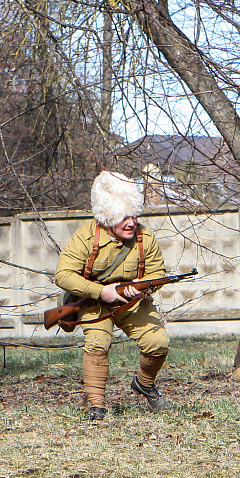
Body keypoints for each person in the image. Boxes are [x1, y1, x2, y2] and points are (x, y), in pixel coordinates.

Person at [55, 171, 170, 421]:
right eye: (123, 217)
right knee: (97, 344)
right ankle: (96, 405)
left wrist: (142, 286)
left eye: (133, 215)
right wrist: (101, 291)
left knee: (158, 343)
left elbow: (157, 272)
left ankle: (144, 383)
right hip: (95, 304)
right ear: (108, 217)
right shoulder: (86, 237)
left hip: (132, 304)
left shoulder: (145, 237)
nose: (131, 222)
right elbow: (63, 275)